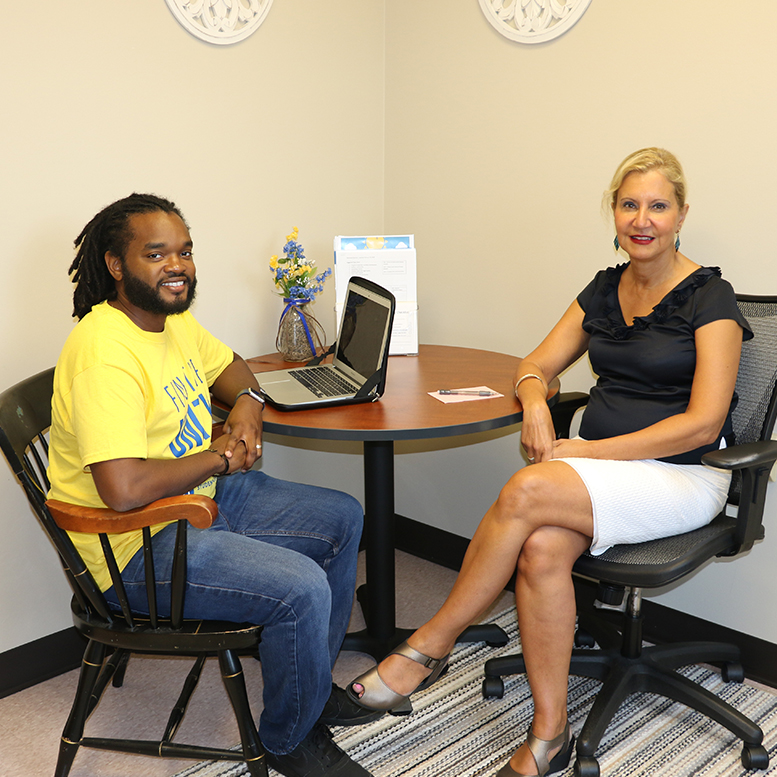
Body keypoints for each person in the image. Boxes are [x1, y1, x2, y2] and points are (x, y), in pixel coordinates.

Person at [346, 148, 752, 776]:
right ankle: (549, 732)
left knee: (526, 493)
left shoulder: (711, 298)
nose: (642, 219)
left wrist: (589, 450)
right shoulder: (603, 287)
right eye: (629, 204)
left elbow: (701, 423)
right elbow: (532, 365)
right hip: (599, 473)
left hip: (684, 475)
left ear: (681, 215)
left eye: (657, 206)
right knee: (539, 550)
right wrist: (536, 401)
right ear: (613, 212)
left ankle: (429, 644)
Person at [47, 193, 382, 777]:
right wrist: (218, 460)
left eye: (185, 251)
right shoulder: (105, 354)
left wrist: (249, 403)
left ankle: (309, 692)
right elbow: (123, 489)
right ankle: (288, 742)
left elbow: (230, 369)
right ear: (117, 266)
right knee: (299, 587)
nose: (177, 265)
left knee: (342, 516)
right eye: (156, 254)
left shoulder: (169, 322)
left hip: (194, 501)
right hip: (137, 546)